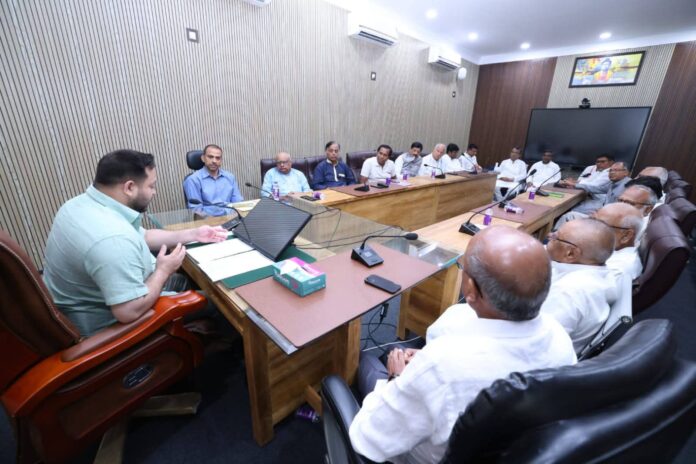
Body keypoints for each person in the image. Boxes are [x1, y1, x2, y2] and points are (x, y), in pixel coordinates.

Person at [349, 227, 576, 464]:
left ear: (470, 290)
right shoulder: (560, 338)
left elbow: (368, 439)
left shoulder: (443, 365)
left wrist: (396, 378)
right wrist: (424, 364)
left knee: (367, 361)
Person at [43, 149, 228, 337]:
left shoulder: (80, 204)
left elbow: (144, 236)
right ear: (129, 187)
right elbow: (128, 312)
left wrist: (194, 233)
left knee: (183, 281)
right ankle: (223, 346)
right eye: (151, 186)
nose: (154, 192)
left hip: (110, 292)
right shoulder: (113, 239)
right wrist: (163, 271)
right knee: (220, 302)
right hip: (113, 325)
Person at [541, 218, 617, 351]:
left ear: (570, 253)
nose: (549, 236)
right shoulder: (596, 273)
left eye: (555, 237)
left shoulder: (568, 292)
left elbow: (540, 343)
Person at [553, 161, 631, 228]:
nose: (612, 172)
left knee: (569, 215)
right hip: (603, 213)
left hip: (608, 222)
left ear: (626, 173)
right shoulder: (613, 183)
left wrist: (598, 215)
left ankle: (554, 237)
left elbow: (621, 212)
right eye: (610, 170)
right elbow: (596, 188)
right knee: (574, 210)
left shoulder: (628, 186)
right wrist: (574, 185)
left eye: (616, 170)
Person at [184, 144, 244, 215]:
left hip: (232, 217)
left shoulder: (230, 177)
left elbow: (238, 202)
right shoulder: (192, 180)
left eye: (218, 158)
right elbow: (196, 210)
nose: (214, 161)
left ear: (221, 160)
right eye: (210, 157)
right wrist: (225, 211)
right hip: (209, 220)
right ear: (203, 158)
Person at [594, 203, 644, 280]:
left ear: (626, 235)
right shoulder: (609, 250)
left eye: (600, 225)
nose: (591, 228)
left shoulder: (617, 270)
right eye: (593, 221)